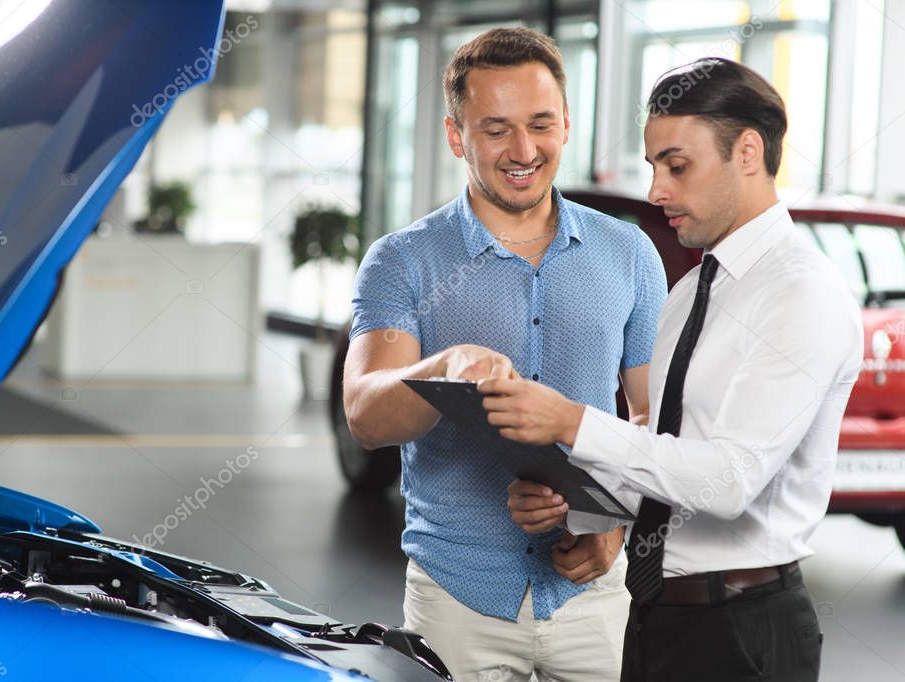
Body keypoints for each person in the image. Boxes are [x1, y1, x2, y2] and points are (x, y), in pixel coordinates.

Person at [486, 57, 863, 682]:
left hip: (742, 635)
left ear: (747, 151)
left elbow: (731, 478)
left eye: (677, 167)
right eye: (654, 167)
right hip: (659, 617)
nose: (657, 192)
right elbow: (669, 459)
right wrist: (580, 510)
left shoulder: (802, 292)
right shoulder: (691, 290)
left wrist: (573, 421)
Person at [343, 27, 667, 681]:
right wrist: (441, 367)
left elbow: (655, 420)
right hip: (457, 604)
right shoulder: (403, 260)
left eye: (540, 124)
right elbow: (366, 416)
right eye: (495, 129)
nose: (523, 151)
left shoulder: (628, 254)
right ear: (456, 135)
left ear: (566, 124)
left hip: (596, 597)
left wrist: (606, 517)